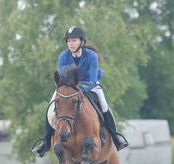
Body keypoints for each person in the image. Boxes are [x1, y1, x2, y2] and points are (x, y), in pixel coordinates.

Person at [31, 26, 128, 157]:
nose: (71, 43)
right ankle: (45, 142)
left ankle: (116, 137)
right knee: (51, 108)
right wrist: (70, 89)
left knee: (104, 105)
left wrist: (81, 89)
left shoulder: (92, 56)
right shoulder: (63, 56)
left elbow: (93, 80)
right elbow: (62, 77)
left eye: (74, 40)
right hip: (69, 87)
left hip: (90, 85)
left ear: (81, 42)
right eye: (69, 41)